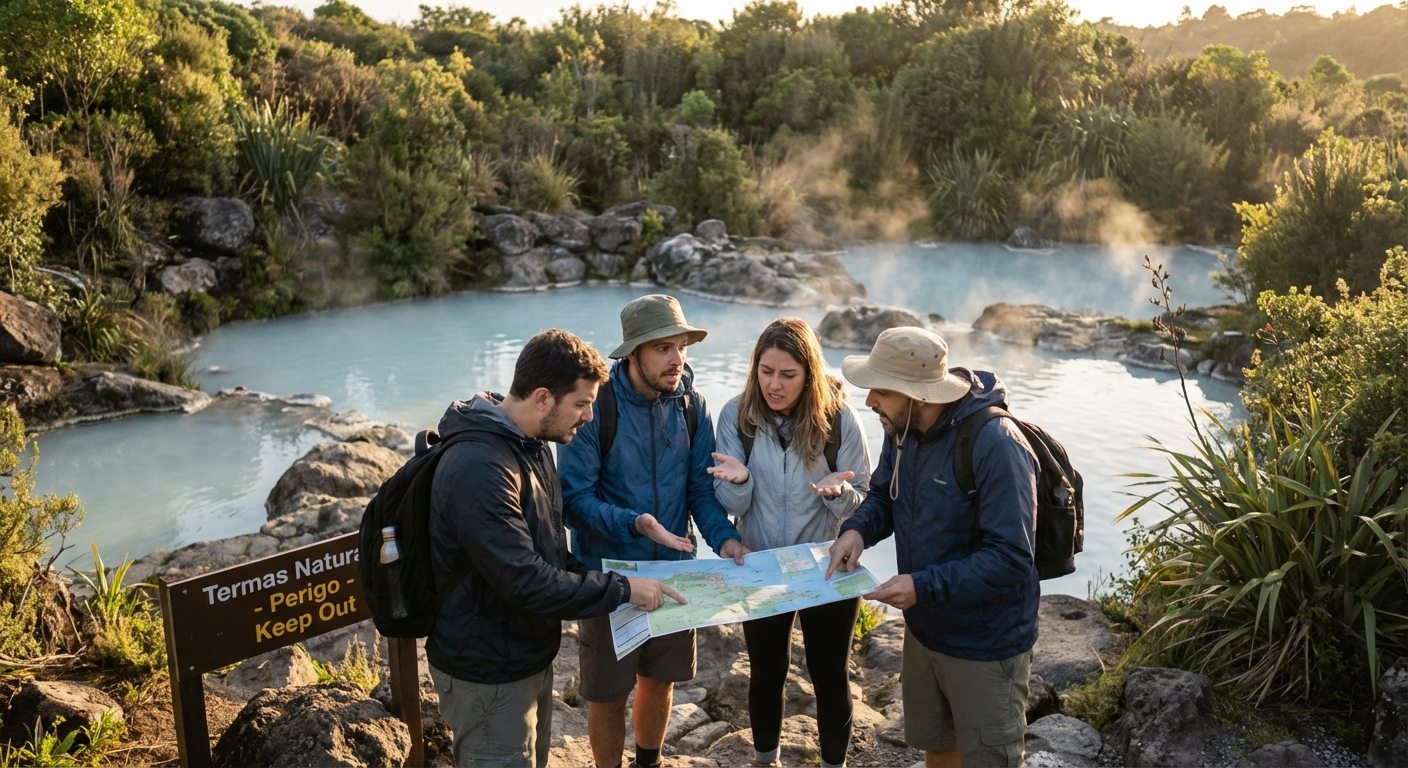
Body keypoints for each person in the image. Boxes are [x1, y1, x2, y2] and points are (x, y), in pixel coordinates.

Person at [427, 328, 687, 768]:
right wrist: (621, 589)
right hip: (487, 669)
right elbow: (526, 580)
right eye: (582, 404)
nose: (588, 417)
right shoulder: (481, 468)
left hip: (525, 656)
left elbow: (551, 555)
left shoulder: (531, 445)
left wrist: (617, 581)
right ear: (543, 398)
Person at [825, 326, 1039, 768]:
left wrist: (922, 586)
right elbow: (884, 495)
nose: (869, 403)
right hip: (925, 633)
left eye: (881, 391)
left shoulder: (996, 444)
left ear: (919, 394)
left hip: (985, 645)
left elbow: (1012, 559)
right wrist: (857, 530)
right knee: (938, 747)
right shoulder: (903, 428)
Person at [558, 294, 750, 768]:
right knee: (606, 692)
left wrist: (723, 538)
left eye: (681, 346)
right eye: (662, 347)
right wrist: (634, 522)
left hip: (672, 570)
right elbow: (573, 502)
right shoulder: (595, 410)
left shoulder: (691, 404)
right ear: (634, 353)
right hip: (610, 575)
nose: (676, 358)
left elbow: (698, 492)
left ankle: (649, 762)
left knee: (659, 680)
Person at [707, 317, 873, 768]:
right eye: (766, 372)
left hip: (826, 564)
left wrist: (840, 496)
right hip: (761, 563)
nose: (774, 385)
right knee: (765, 670)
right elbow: (725, 497)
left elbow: (865, 505)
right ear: (754, 368)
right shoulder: (735, 416)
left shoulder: (839, 420)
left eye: (787, 374)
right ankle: (767, 761)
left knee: (829, 675)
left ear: (810, 374)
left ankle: (834, 765)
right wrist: (741, 483)